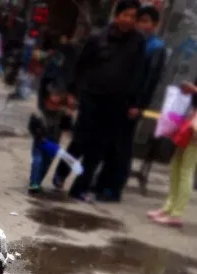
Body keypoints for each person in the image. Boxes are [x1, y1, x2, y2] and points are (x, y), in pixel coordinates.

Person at [53, 0, 146, 202]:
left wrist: (134, 103)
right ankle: (61, 173)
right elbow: (81, 66)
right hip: (91, 97)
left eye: (133, 17)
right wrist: (72, 93)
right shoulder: (98, 37)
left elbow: (138, 74)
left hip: (117, 102)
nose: (128, 20)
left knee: (99, 147)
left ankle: (80, 188)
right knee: (80, 140)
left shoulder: (138, 42)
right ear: (117, 15)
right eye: (126, 15)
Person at [94, 4, 166, 202]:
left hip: (133, 104)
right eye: (139, 21)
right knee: (110, 143)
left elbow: (150, 80)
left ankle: (113, 187)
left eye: (145, 21)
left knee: (122, 147)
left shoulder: (155, 47)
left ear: (155, 24)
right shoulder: (135, 42)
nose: (141, 25)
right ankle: (102, 182)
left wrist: (139, 105)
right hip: (120, 100)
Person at [147, 81, 197, 227]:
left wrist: (194, 90)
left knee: (186, 170)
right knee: (176, 167)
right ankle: (168, 207)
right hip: (191, 121)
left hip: (195, 127)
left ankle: (176, 213)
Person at [28, 83, 69, 193]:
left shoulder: (62, 114)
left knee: (46, 163)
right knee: (37, 161)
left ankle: (38, 181)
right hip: (40, 141)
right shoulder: (38, 113)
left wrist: (68, 116)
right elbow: (32, 127)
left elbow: (67, 127)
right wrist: (39, 136)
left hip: (53, 143)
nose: (54, 105)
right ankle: (34, 183)